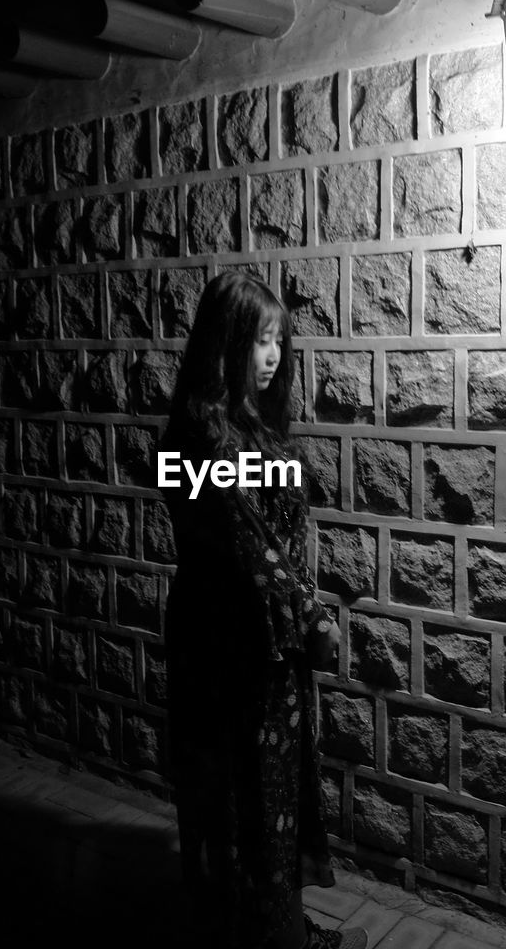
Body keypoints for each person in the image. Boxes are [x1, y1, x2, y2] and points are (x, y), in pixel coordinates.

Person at [158, 272, 368, 949]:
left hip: (259, 643)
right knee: (242, 797)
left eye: (279, 340)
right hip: (231, 647)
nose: (273, 355)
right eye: (259, 339)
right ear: (227, 343)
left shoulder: (248, 430)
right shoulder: (199, 436)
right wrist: (314, 618)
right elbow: (249, 542)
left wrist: (304, 609)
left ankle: (271, 928)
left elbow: (280, 534)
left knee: (265, 799)